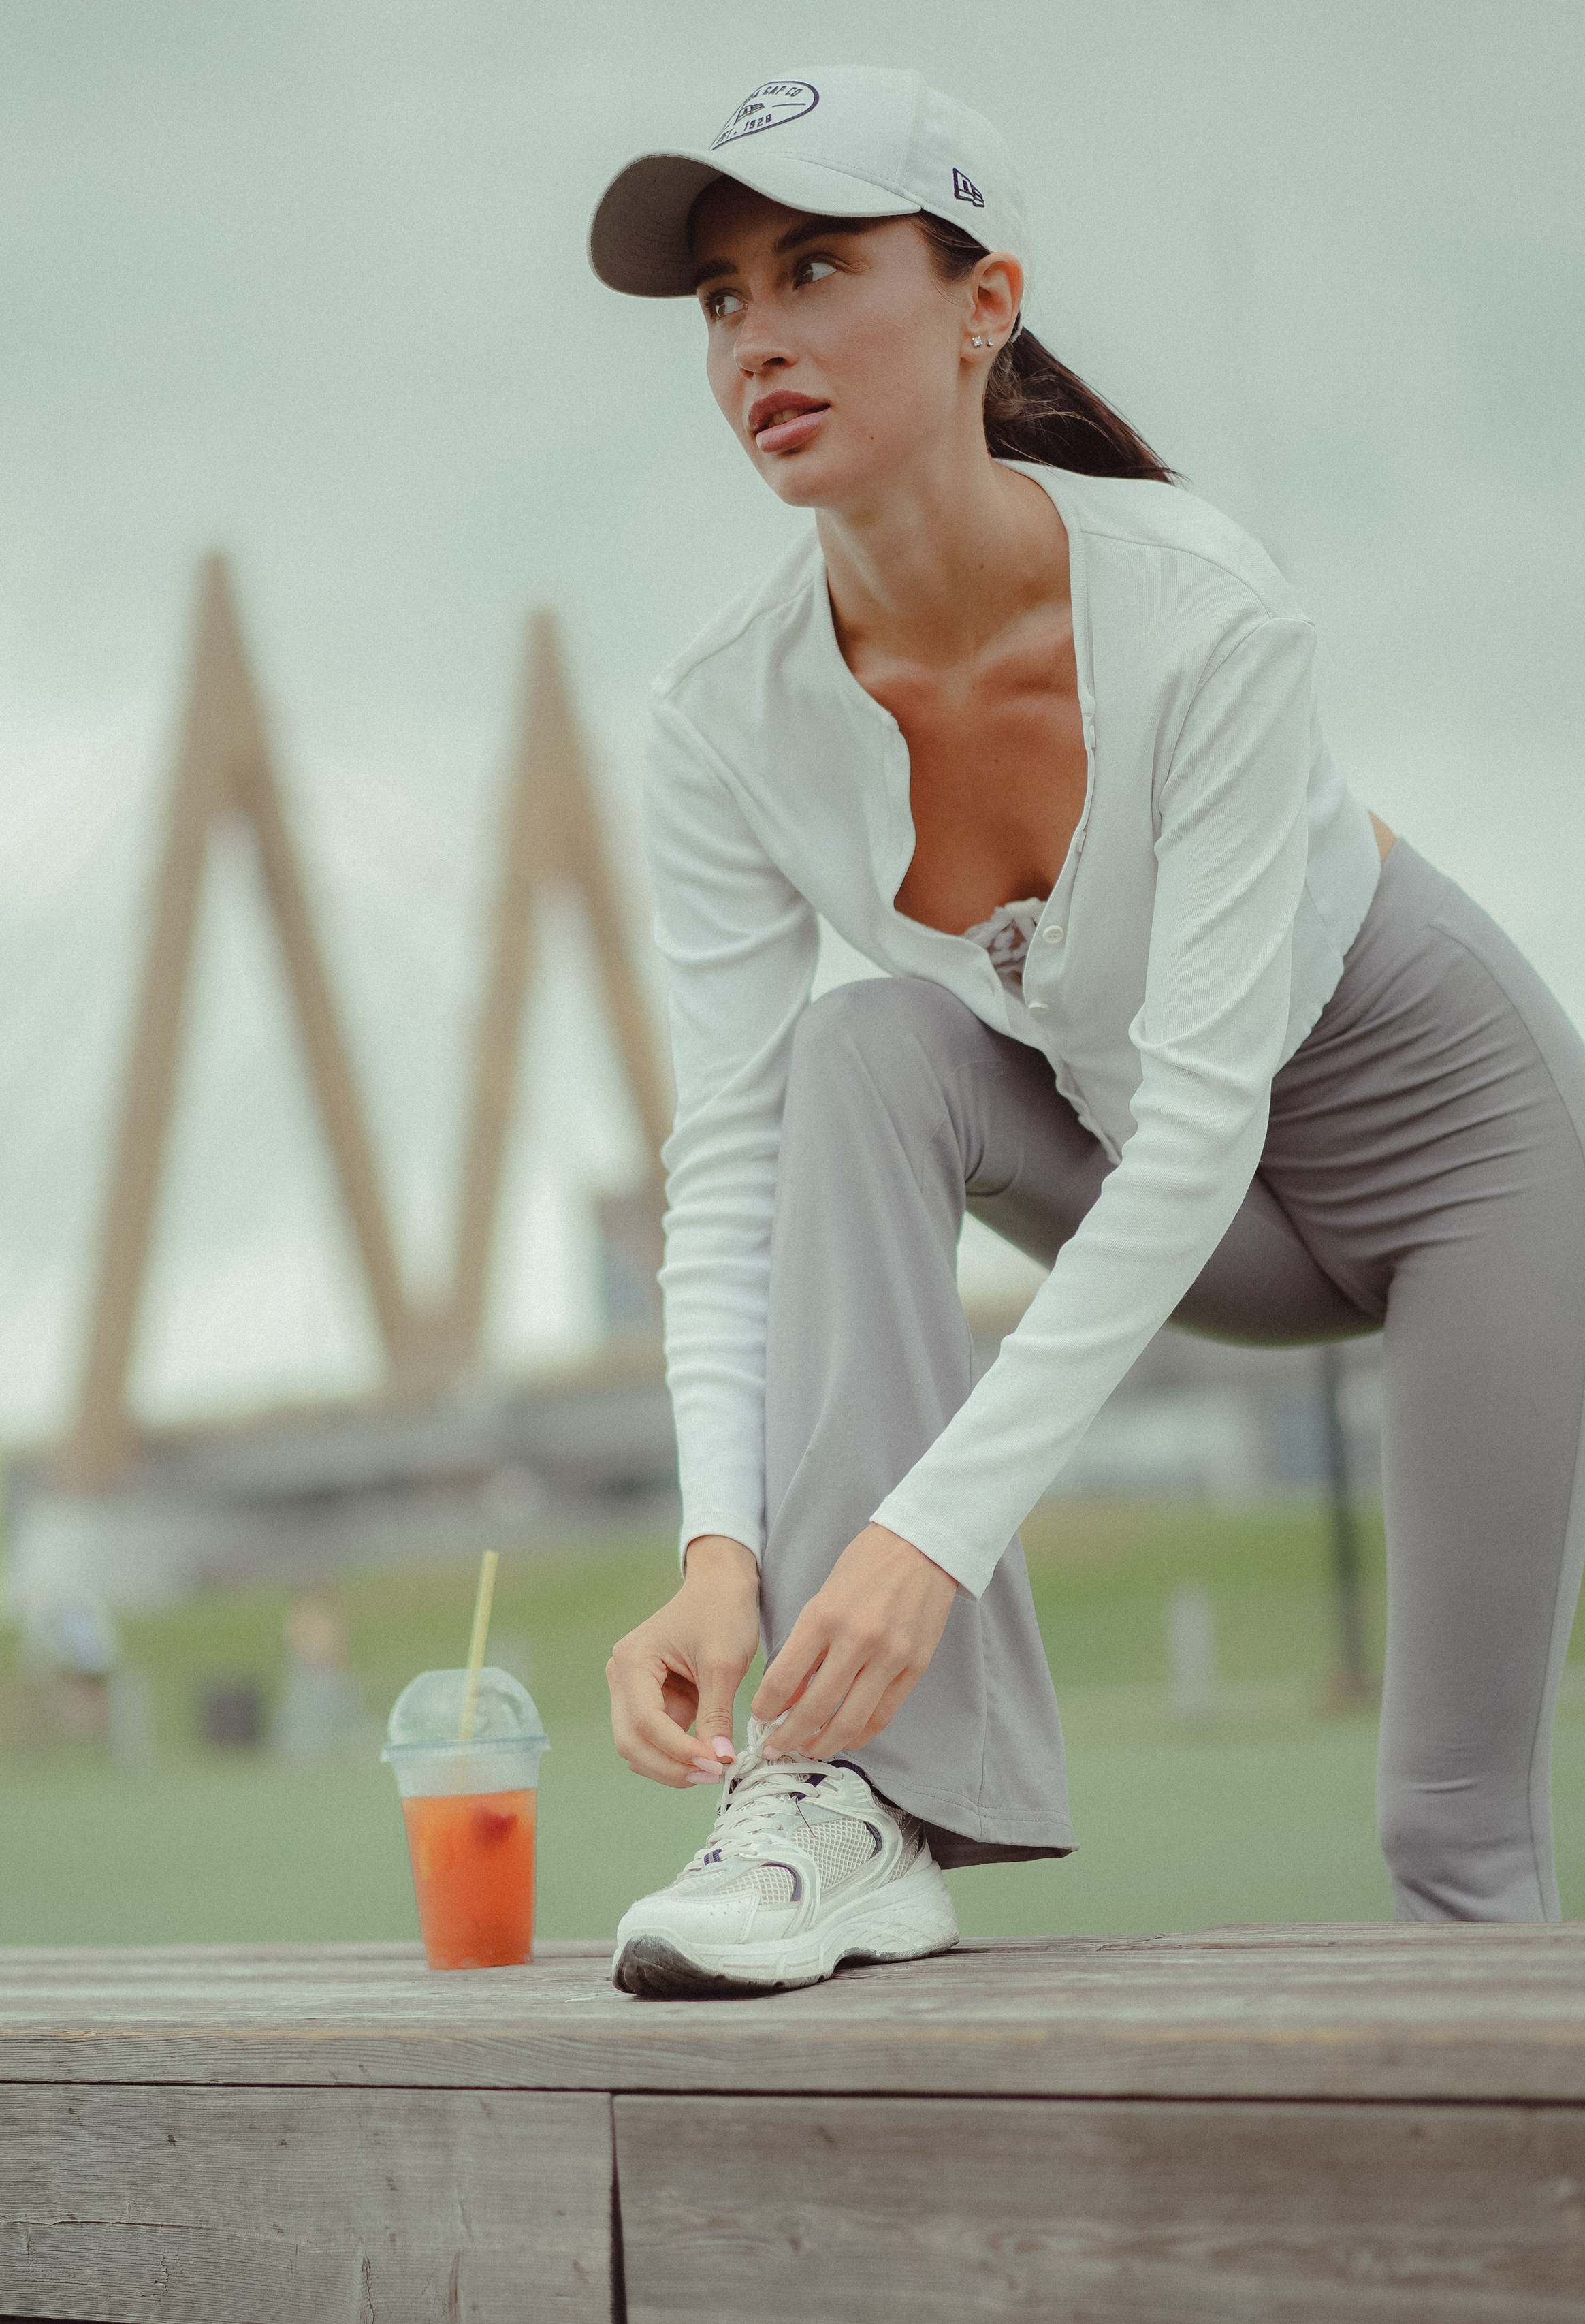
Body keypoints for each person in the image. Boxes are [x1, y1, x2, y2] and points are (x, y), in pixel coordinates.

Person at [590, 67, 1585, 1997]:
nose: (757, 337)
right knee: (856, 1053)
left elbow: (1206, 1118)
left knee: (1454, 1829)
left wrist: (929, 1533)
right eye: (723, 298)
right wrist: (730, 1549)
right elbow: (726, 1167)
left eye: (814, 268)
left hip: (1455, 1143)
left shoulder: (1202, 613)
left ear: (984, 304)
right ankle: (861, 1802)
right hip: (1168, 1183)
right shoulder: (723, 717)